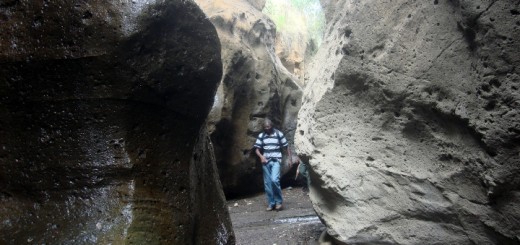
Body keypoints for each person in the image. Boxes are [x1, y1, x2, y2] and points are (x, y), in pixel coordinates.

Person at [254, 118, 292, 211]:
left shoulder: (279, 134)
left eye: (268, 127)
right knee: (268, 183)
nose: (267, 128)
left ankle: (279, 202)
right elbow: (257, 149)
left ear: (272, 126)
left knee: (274, 180)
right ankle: (271, 203)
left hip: (276, 160)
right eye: (265, 127)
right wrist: (261, 157)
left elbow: (286, 146)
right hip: (266, 161)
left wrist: (290, 159)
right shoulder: (262, 135)